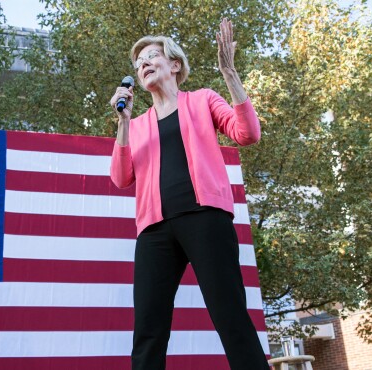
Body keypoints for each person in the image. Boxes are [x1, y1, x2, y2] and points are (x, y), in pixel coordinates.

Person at [109, 19, 270, 370]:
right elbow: (122, 178)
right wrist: (123, 124)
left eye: (152, 56)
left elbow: (247, 134)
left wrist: (229, 72)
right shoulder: (135, 126)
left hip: (205, 218)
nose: (144, 64)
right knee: (148, 329)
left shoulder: (202, 100)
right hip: (155, 230)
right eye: (139, 64)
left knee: (230, 314)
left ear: (175, 65)